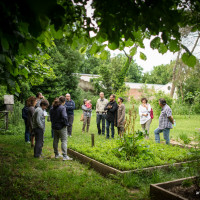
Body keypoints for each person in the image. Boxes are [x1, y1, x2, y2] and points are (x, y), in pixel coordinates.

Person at [50, 96, 72, 161]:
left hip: (54, 126)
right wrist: (66, 124)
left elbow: (50, 117)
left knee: (55, 140)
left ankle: (56, 154)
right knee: (64, 140)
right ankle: (65, 156)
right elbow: (64, 117)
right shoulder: (62, 108)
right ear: (64, 102)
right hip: (61, 126)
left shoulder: (52, 107)